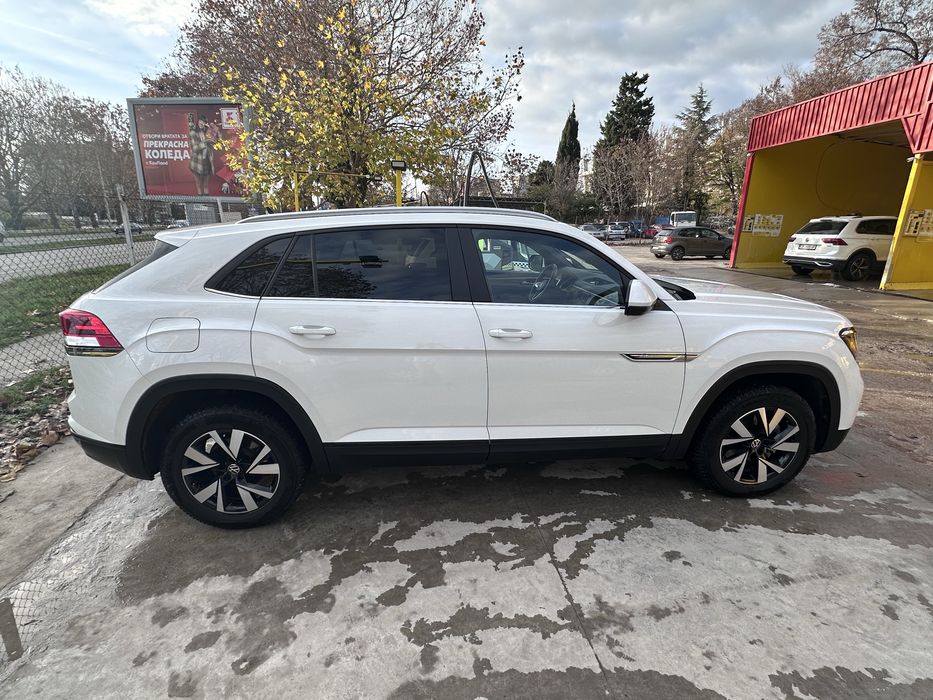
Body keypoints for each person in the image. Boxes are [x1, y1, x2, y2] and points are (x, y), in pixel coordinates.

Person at [187, 113, 219, 196]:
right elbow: (195, 149)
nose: (202, 123)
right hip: (197, 162)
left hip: (207, 161)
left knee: (205, 184)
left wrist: (216, 133)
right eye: (200, 121)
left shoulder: (208, 131)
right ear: (198, 122)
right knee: (199, 184)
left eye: (204, 122)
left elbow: (215, 142)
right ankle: (200, 202)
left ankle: (207, 204)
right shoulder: (193, 133)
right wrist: (205, 142)